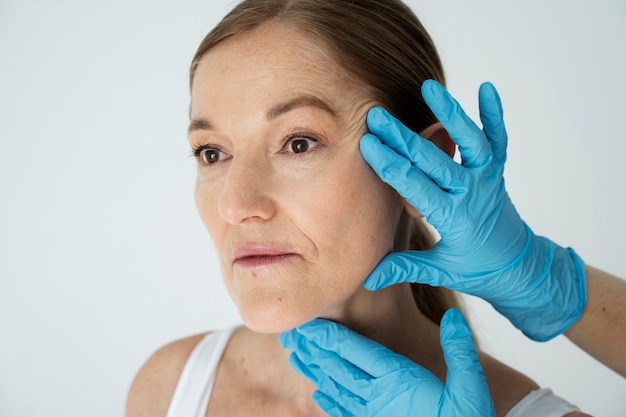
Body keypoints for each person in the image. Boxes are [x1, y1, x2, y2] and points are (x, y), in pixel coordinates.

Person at [125, 0, 591, 416]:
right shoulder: (170, 388)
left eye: (298, 143)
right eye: (212, 153)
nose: (235, 205)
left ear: (422, 166)